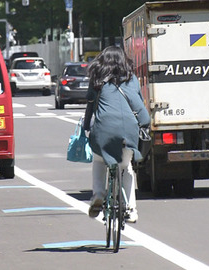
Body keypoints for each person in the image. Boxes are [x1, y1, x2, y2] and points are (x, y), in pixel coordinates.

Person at [83, 46, 150, 223]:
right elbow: (140, 108)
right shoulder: (131, 79)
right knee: (126, 167)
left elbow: (90, 105)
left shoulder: (97, 80)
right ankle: (131, 210)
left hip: (103, 128)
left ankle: (98, 194)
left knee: (99, 160)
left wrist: (86, 128)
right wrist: (145, 124)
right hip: (128, 129)